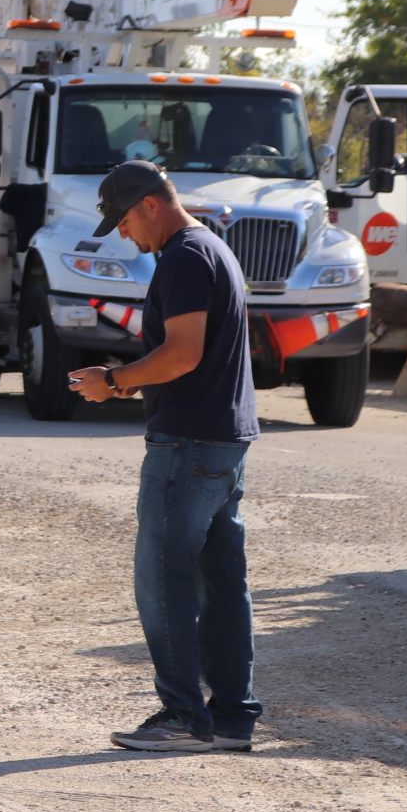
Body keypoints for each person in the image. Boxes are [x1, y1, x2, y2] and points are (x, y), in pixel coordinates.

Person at [69, 161, 261, 755]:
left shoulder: (182, 257)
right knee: (223, 584)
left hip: (188, 442)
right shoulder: (213, 248)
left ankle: (183, 717)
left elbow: (181, 355)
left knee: (163, 580)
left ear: (150, 204)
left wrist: (117, 380)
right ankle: (231, 717)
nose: (124, 234)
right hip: (225, 439)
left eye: (123, 221)